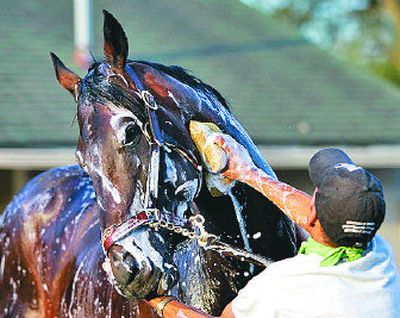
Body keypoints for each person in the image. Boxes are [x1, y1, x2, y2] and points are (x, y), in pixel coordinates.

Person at [148, 130, 400, 318]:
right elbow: (311, 214)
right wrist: (247, 172)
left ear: (313, 216)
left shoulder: (280, 285)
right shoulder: (378, 256)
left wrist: (156, 299)